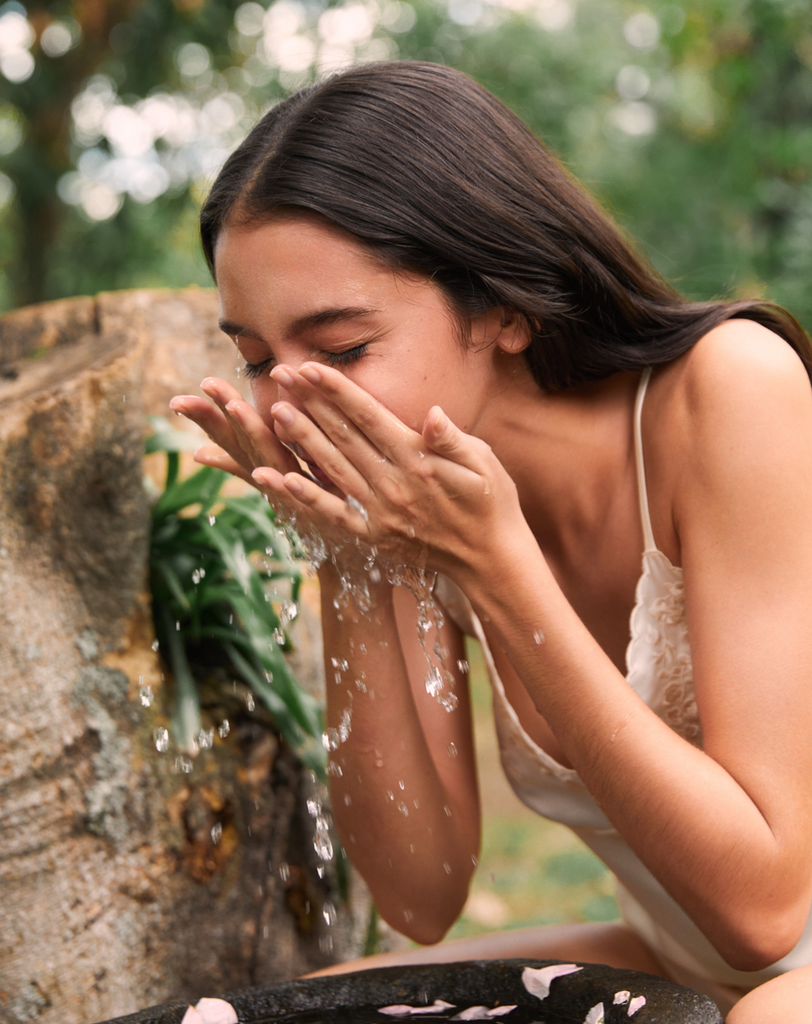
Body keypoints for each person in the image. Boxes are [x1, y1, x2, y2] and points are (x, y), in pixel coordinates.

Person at [169, 61, 812, 1022]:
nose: (287, 404)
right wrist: (354, 563)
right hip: (685, 958)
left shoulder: (728, 393)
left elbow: (765, 911)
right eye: (257, 359)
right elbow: (420, 895)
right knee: (306, 1011)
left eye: (341, 349)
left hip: (771, 970)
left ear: (503, 306)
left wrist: (498, 569)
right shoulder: (412, 508)